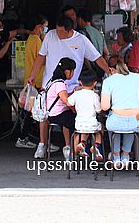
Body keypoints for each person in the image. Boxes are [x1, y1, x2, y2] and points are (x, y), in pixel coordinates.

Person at [27, 15, 110, 159]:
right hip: (50, 84)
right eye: (57, 30)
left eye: (61, 32)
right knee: (44, 114)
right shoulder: (50, 36)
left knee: (68, 113)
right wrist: (33, 75)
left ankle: (68, 147)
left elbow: (97, 57)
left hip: (71, 86)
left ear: (70, 30)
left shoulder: (81, 40)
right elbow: (41, 57)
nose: (58, 34)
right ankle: (42, 144)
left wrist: (110, 72)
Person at [101, 56, 139, 167]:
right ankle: (126, 155)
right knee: (134, 120)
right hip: (137, 123)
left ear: (111, 70)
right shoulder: (137, 77)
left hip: (116, 122)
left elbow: (104, 107)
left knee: (113, 118)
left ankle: (115, 156)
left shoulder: (108, 81)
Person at [16, 14, 48, 150]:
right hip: (36, 81)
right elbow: (41, 60)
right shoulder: (36, 40)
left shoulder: (32, 39)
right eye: (45, 26)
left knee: (31, 111)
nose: (46, 29)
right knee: (33, 112)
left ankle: (26, 138)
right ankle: (24, 138)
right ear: (38, 26)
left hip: (33, 79)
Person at [44, 57, 77, 161]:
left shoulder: (52, 81)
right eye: (72, 71)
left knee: (69, 119)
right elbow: (67, 101)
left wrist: (73, 93)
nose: (72, 74)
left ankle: (68, 146)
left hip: (52, 114)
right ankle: (73, 150)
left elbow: (62, 97)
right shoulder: (60, 84)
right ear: (67, 71)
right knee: (80, 122)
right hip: (57, 115)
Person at [67, 70, 104, 161]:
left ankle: (74, 153)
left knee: (80, 132)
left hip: (79, 123)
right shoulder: (95, 96)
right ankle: (96, 146)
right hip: (92, 123)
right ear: (95, 83)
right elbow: (99, 110)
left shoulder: (77, 94)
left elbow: (68, 103)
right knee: (100, 129)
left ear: (80, 82)